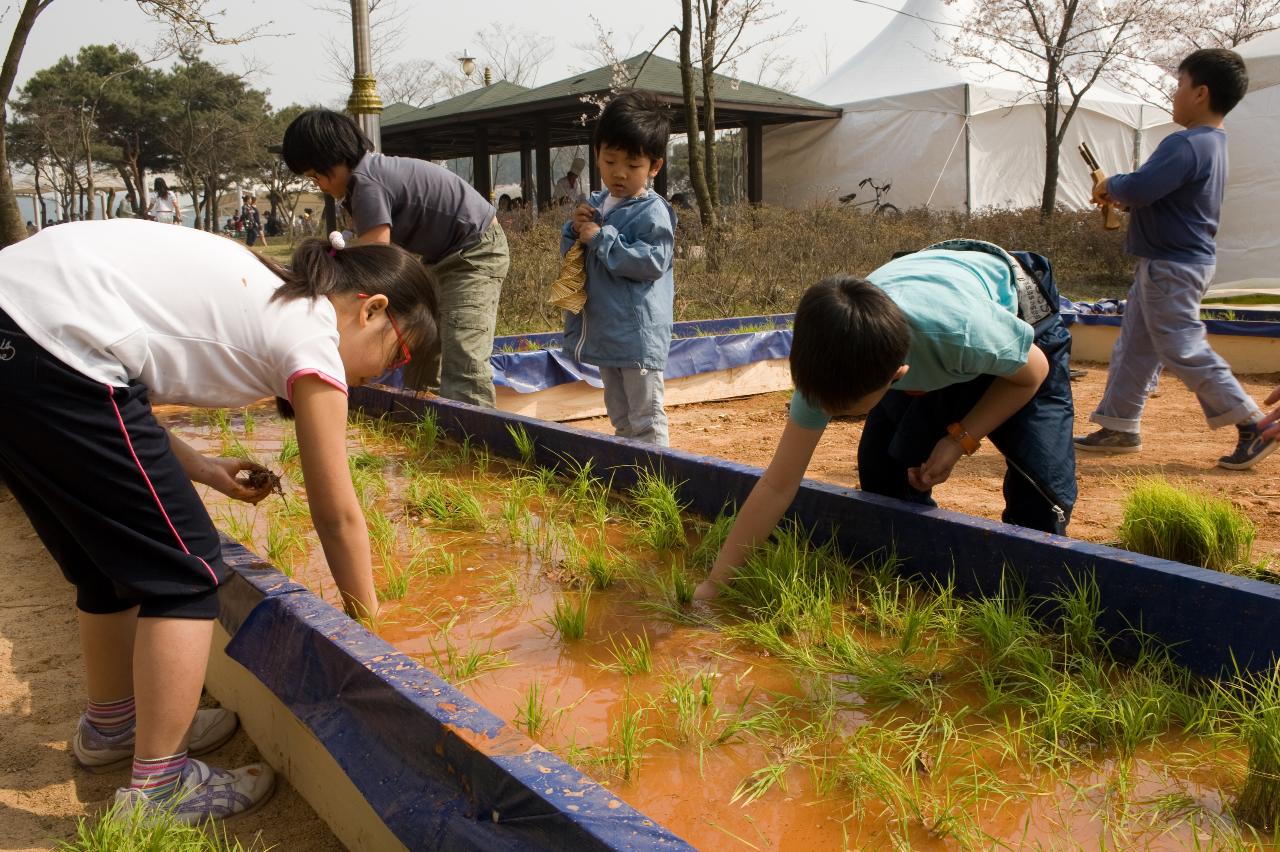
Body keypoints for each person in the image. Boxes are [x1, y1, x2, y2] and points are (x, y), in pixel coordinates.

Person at [0, 220, 437, 824]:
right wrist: (370, 629)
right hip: (55, 344)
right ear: (373, 309)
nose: (383, 376)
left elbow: (123, 399)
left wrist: (204, 470)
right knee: (188, 572)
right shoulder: (311, 334)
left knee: (107, 564)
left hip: (22, 332)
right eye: (399, 354)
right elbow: (336, 512)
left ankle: (113, 727)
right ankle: (159, 791)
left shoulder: (268, 292)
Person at [694, 240, 1076, 600]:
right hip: (930, 305)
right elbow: (778, 484)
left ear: (899, 376)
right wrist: (714, 584)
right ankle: (921, 576)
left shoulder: (964, 336)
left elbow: (1032, 374)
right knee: (883, 472)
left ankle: (1034, 602)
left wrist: (960, 439)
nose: (831, 415)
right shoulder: (827, 362)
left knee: (1041, 494)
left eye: (849, 409)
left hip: (1019, 321)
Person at [1075, 49, 1273, 470]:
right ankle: (1119, 424)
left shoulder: (1185, 142)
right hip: (1171, 262)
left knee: (1182, 346)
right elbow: (1161, 197)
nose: (1174, 92)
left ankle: (1252, 422)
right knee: (1135, 347)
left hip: (1171, 266)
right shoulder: (1212, 144)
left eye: (1180, 84)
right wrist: (1124, 198)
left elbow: (1143, 187)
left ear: (1200, 93)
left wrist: (1113, 184)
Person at [282, 108, 510, 408]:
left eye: (317, 176)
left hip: (474, 254)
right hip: (442, 258)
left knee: (462, 351)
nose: (321, 186)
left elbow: (375, 261)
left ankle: (474, 441)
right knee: (421, 340)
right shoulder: (364, 182)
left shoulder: (367, 184)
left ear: (334, 157)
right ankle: (425, 420)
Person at [562, 91, 676, 446]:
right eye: (610, 162)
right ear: (597, 155)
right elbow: (574, 259)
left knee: (646, 418)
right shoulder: (596, 204)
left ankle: (658, 484)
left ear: (654, 167)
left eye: (633, 165)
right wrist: (574, 232)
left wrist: (601, 238)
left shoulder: (651, 211)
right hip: (607, 333)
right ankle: (631, 476)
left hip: (638, 336)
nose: (620, 173)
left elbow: (653, 262)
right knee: (621, 417)